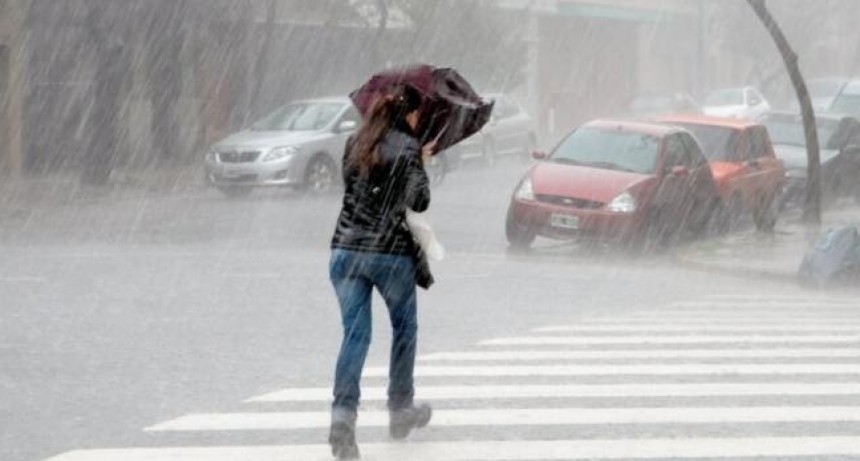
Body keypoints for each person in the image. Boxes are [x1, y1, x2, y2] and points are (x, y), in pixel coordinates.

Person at [328, 84, 434, 460]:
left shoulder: (355, 142)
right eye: (418, 115)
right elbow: (419, 200)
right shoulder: (407, 146)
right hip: (389, 254)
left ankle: (342, 418)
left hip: (345, 251)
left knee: (355, 336)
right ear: (410, 114)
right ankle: (400, 409)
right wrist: (420, 161)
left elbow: (355, 188)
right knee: (404, 329)